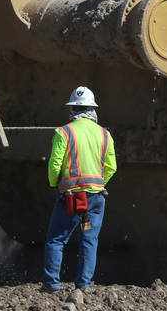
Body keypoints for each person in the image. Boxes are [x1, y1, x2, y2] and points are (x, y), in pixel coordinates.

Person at [41, 85, 116, 292]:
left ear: (72, 109)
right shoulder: (105, 135)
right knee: (88, 240)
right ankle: (83, 285)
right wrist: (98, 183)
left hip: (72, 199)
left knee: (56, 240)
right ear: (93, 110)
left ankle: (51, 285)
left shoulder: (64, 132)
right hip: (94, 199)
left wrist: (55, 184)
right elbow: (111, 167)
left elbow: (55, 164)